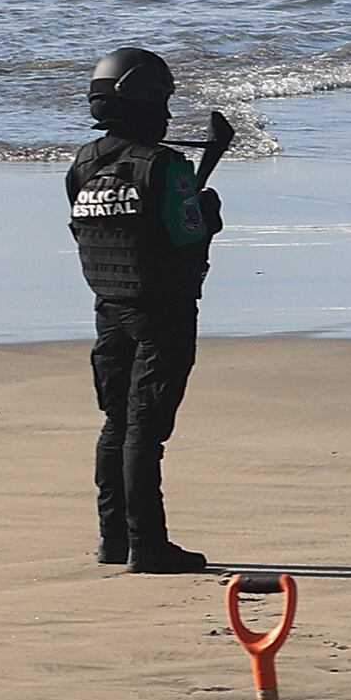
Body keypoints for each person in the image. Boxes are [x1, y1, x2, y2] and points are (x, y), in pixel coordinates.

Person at [66, 47, 221, 573]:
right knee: (144, 431)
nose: (169, 117)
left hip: (109, 310)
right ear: (144, 103)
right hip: (162, 314)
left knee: (116, 423)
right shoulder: (167, 166)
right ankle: (148, 546)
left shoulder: (84, 164)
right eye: (163, 103)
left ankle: (114, 542)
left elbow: (90, 232)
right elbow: (188, 235)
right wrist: (209, 211)